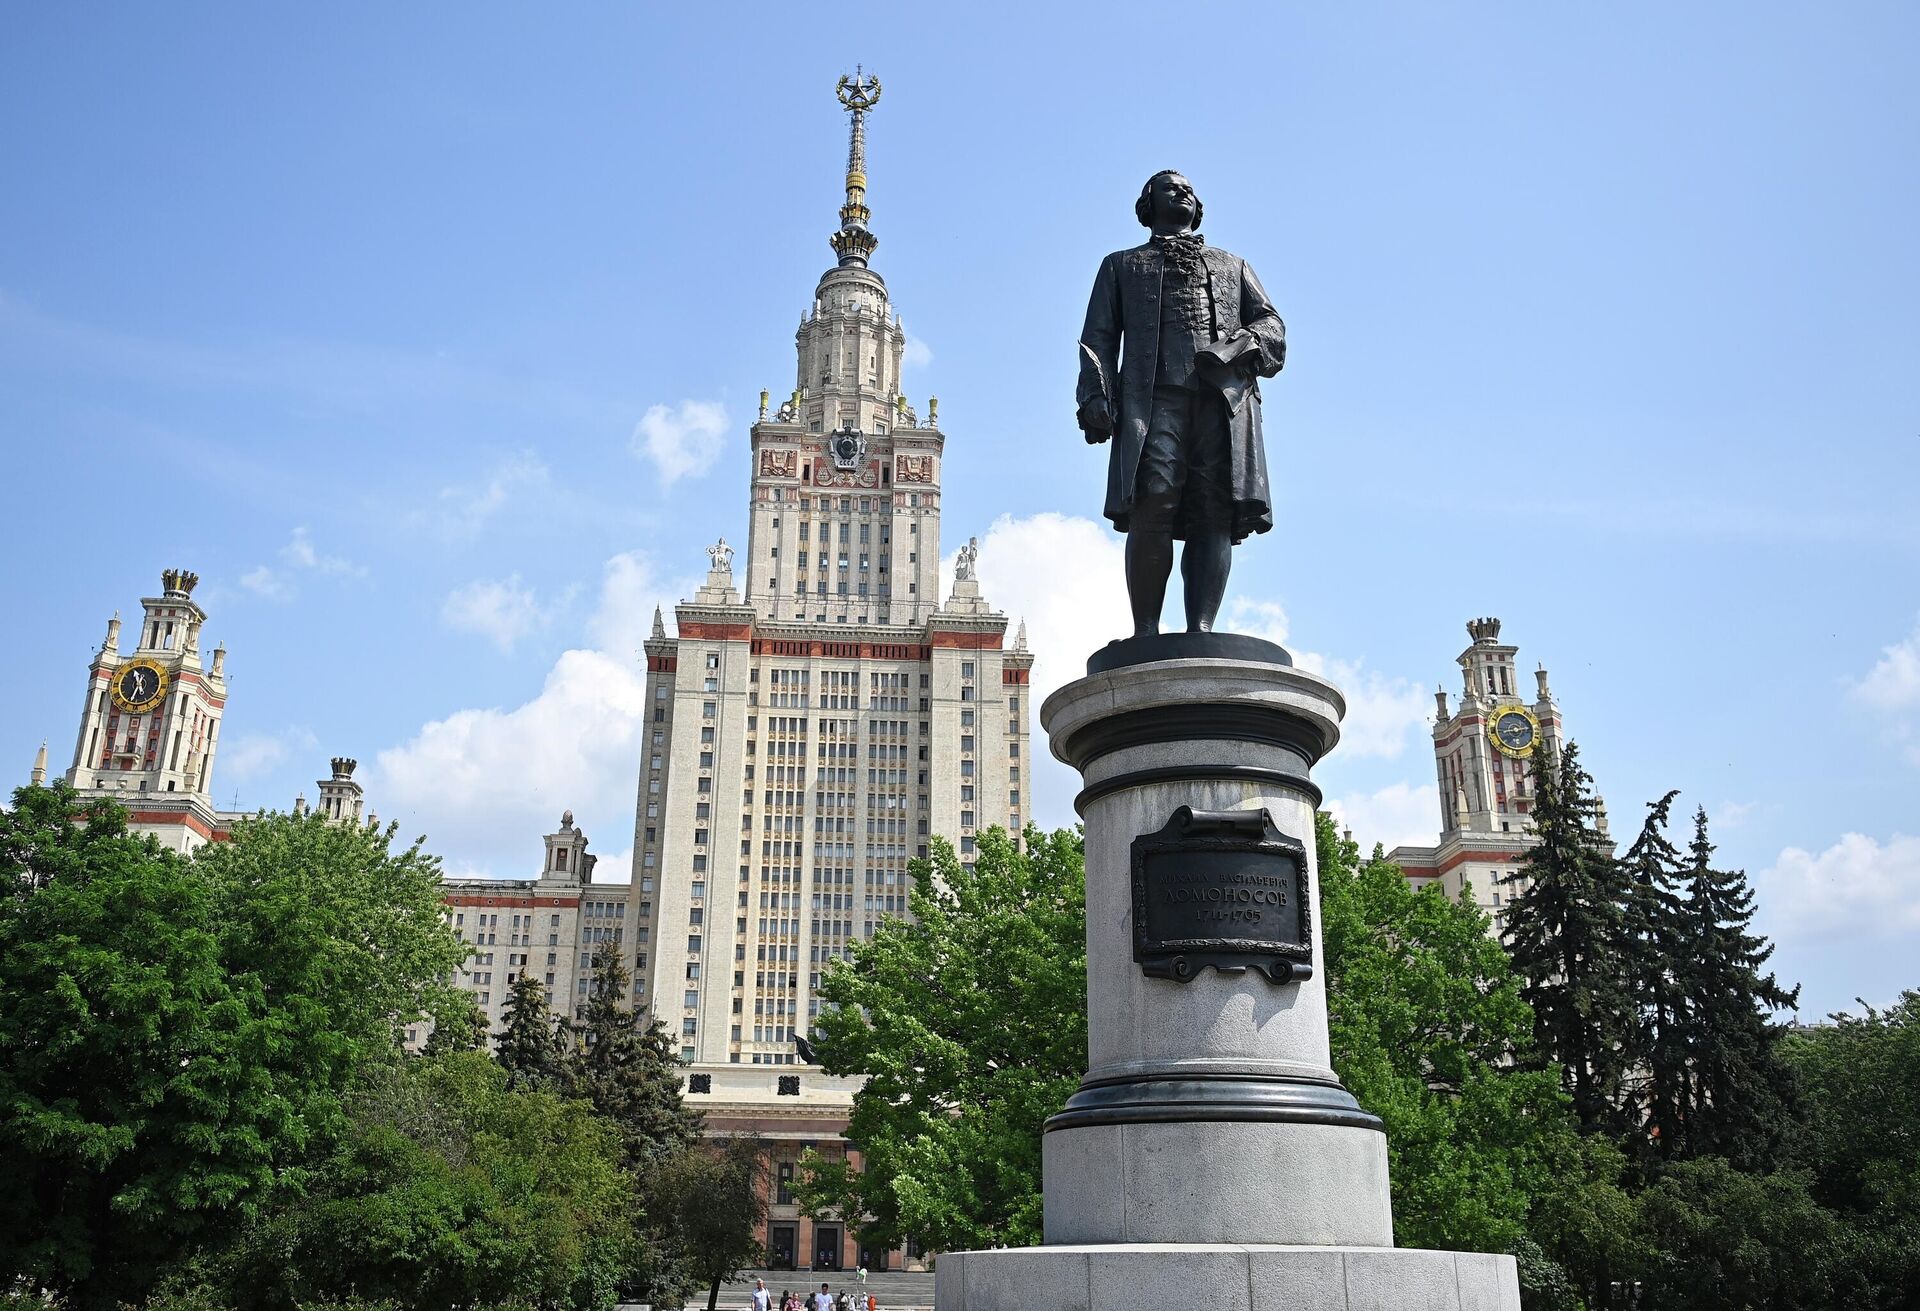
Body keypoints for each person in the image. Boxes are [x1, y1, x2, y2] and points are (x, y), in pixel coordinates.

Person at [1076, 169, 1286, 637]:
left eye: (1189, 189)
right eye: (1171, 188)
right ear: (1148, 203)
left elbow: (1272, 326)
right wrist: (1094, 394)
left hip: (1222, 403)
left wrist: (1237, 347)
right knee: (1153, 500)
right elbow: (1098, 338)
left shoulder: (1233, 265)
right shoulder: (1121, 265)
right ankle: (1145, 630)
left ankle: (1201, 628)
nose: (1184, 192)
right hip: (1152, 402)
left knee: (1214, 508)